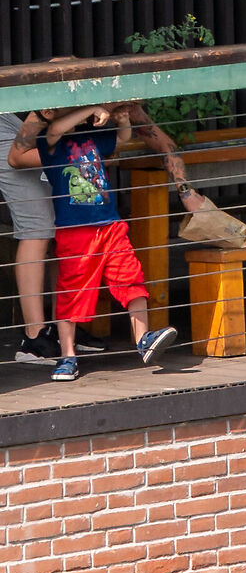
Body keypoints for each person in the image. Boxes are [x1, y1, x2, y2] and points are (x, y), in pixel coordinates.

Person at [8, 104, 183, 377]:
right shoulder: (50, 142)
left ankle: (143, 339)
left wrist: (122, 120)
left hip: (110, 225)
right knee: (71, 293)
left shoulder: (91, 138)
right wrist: (92, 107)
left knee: (131, 279)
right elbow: (54, 129)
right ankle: (68, 356)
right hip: (75, 231)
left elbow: (122, 138)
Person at [0, 105, 62, 364]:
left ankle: (63, 326)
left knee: (62, 223)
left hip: (17, 113)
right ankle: (34, 336)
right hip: (12, 117)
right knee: (38, 224)